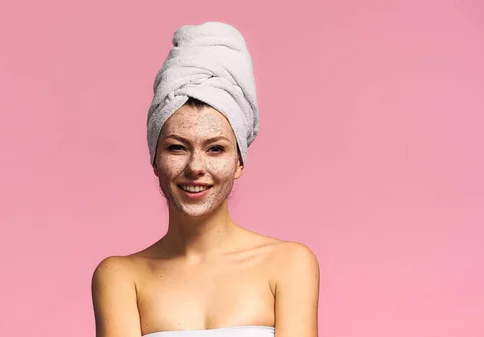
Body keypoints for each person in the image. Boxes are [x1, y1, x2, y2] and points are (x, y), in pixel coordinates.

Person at [92, 22, 320, 337]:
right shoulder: (119, 277)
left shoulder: (290, 265)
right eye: (176, 147)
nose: (195, 167)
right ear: (155, 159)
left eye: (215, 149)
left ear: (239, 160)